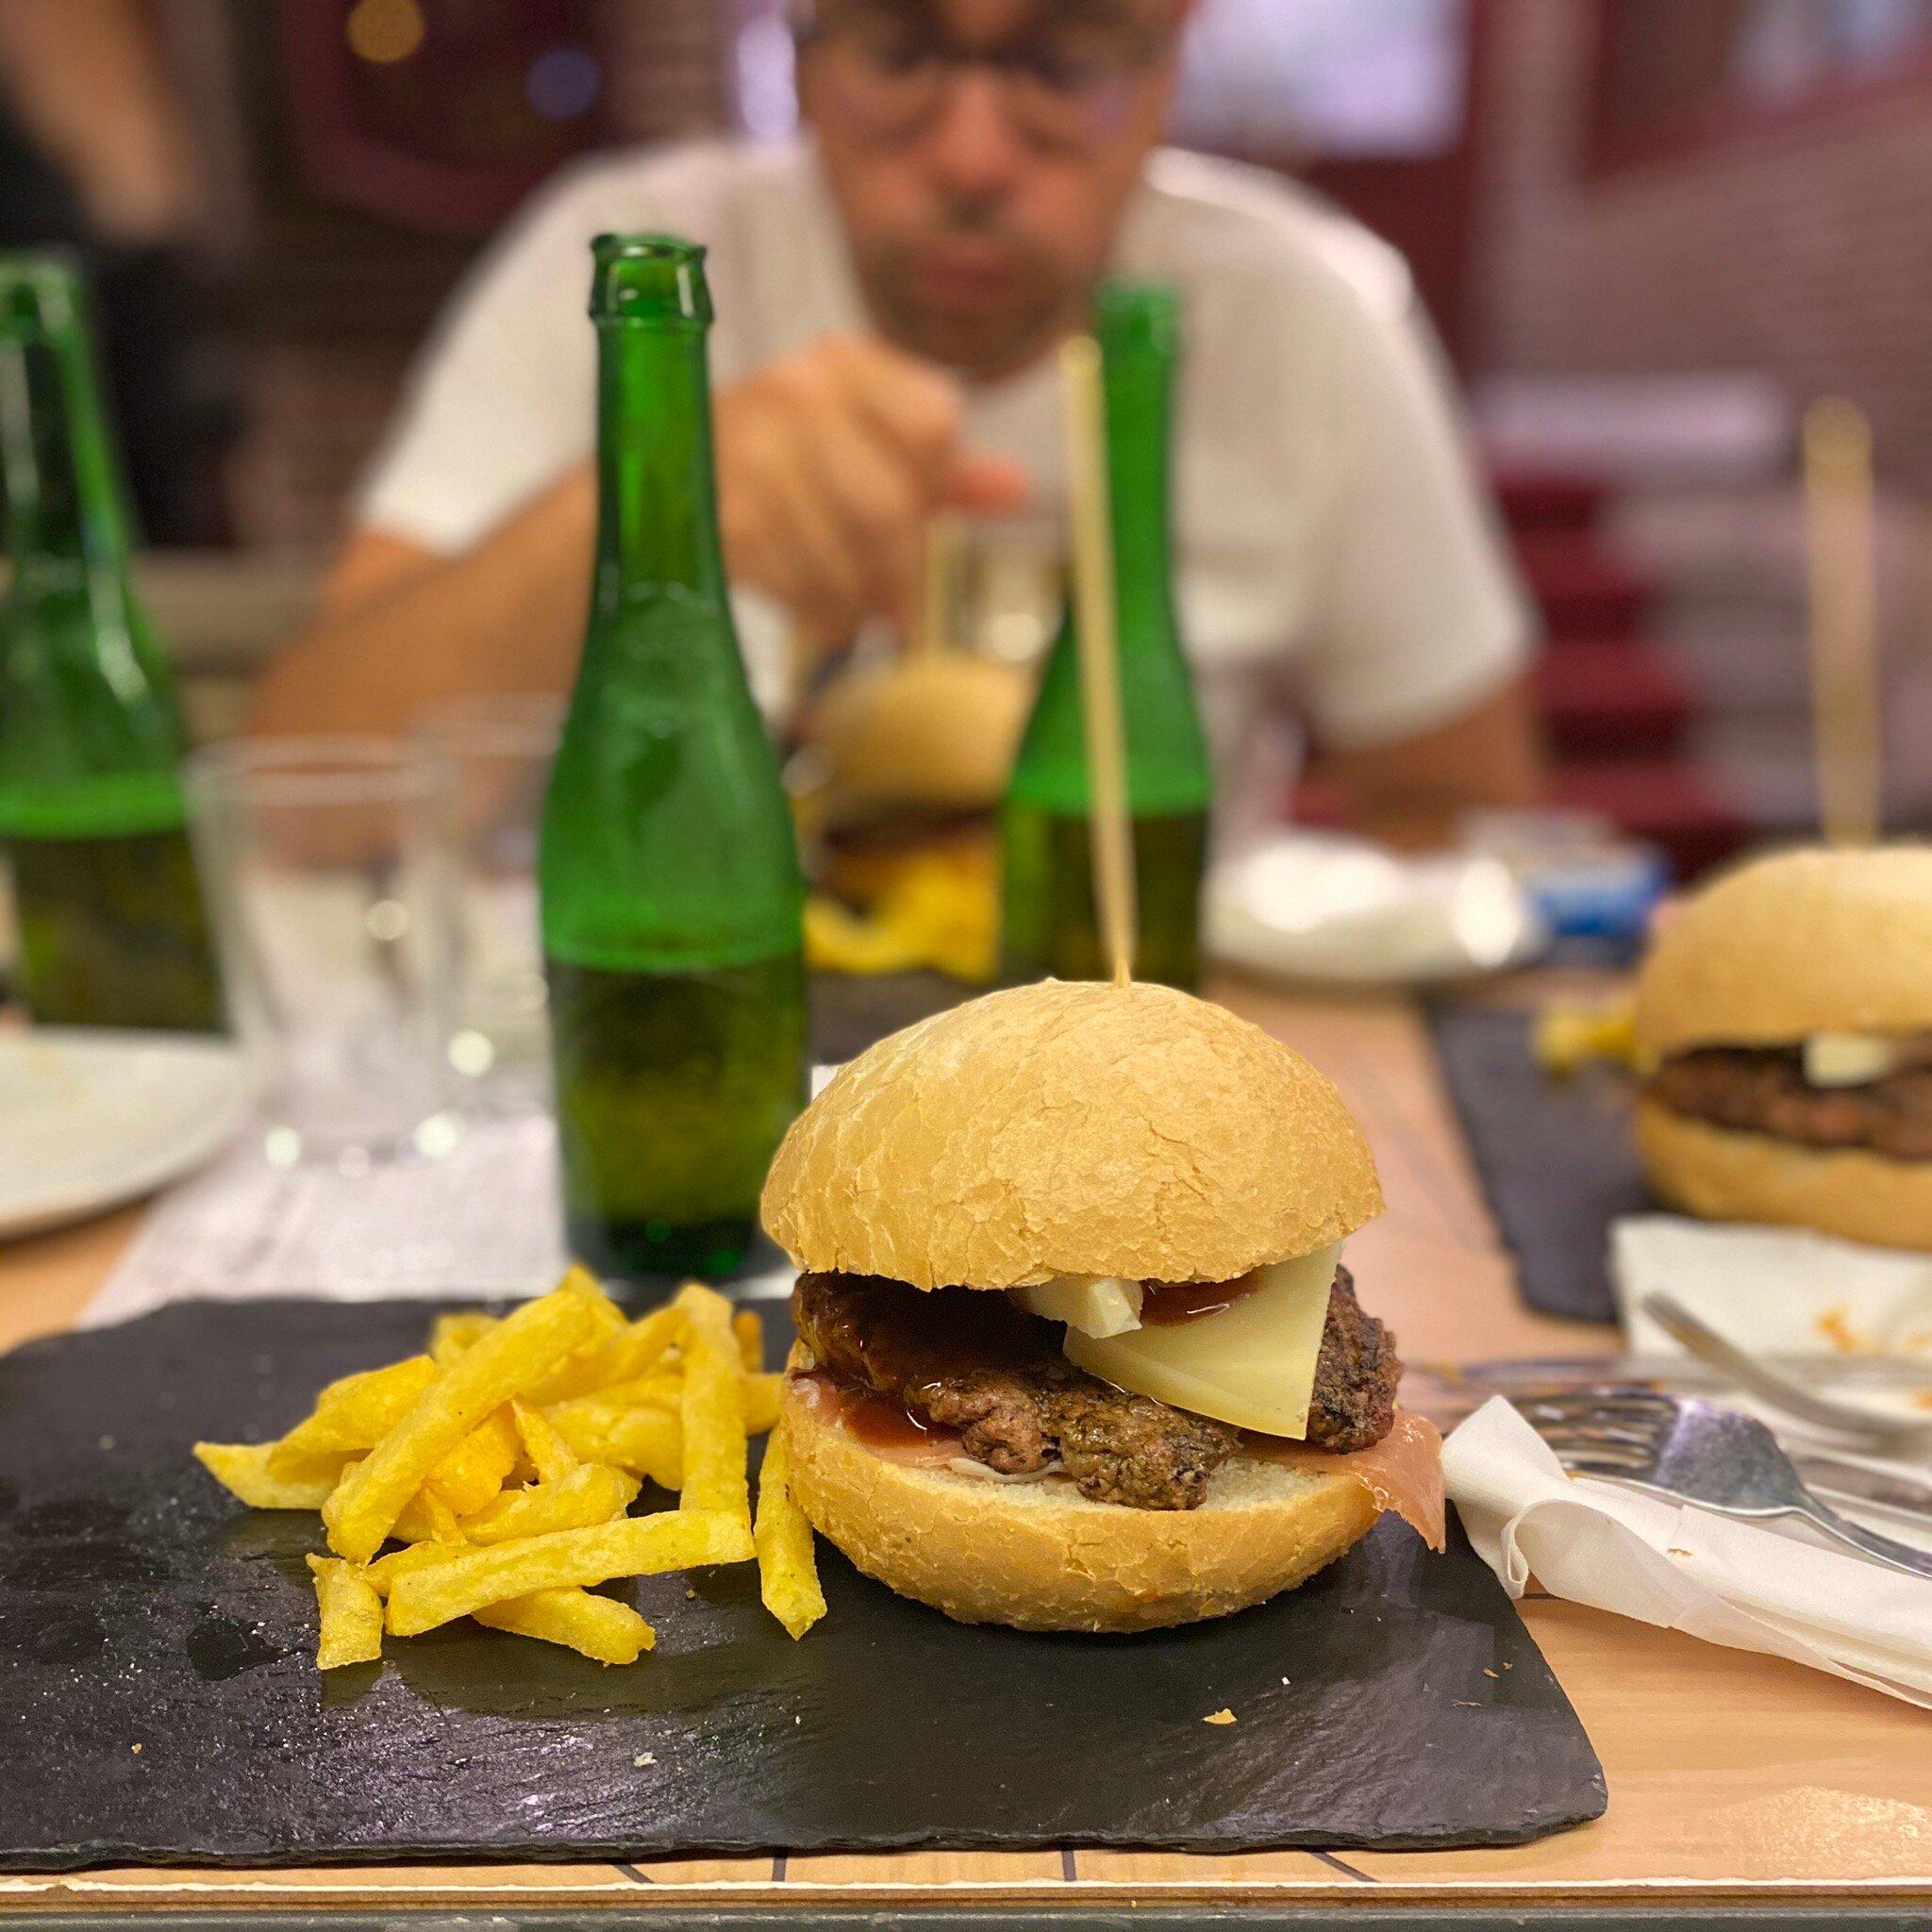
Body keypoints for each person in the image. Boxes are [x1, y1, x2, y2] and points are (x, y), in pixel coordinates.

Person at [252, 0, 1543, 846]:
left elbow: (1467, 815)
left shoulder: (1309, 312)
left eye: (1064, 61)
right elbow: (300, 798)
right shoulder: (630, 262)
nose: (975, 155)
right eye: (900, 51)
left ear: (1167, 69)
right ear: (802, 60)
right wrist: (637, 503)